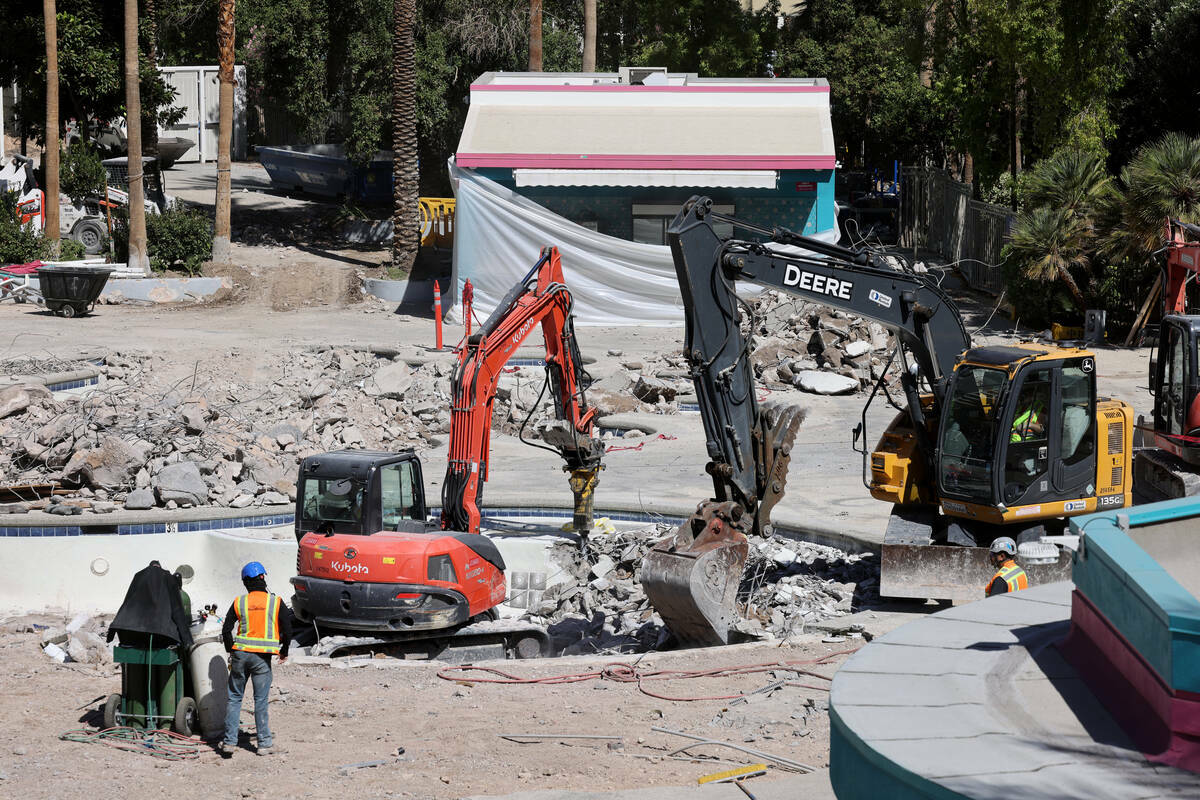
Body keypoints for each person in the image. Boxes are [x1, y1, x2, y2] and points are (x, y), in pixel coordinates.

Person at [220, 561, 292, 757]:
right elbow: (288, 628)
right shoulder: (275, 602)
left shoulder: (239, 602)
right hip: (262, 659)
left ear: (245, 582)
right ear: (262, 578)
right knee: (260, 701)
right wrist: (284, 650)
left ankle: (229, 743)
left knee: (235, 698)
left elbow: (226, 630)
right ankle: (264, 744)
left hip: (240, 654)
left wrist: (230, 651)